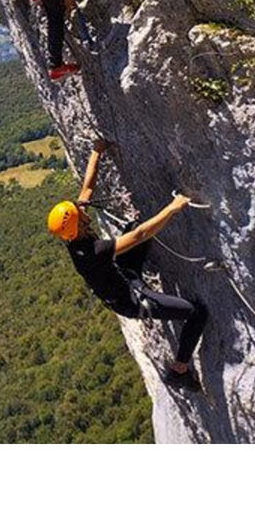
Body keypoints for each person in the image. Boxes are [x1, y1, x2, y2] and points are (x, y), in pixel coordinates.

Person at [47, 141, 208, 392]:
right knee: (197, 313)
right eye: (80, 217)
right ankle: (179, 370)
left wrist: (96, 151)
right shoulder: (91, 251)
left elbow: (88, 188)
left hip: (123, 275)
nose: (84, 213)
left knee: (133, 228)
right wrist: (173, 208)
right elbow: (140, 236)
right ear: (77, 228)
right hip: (131, 301)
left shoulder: (73, 234)